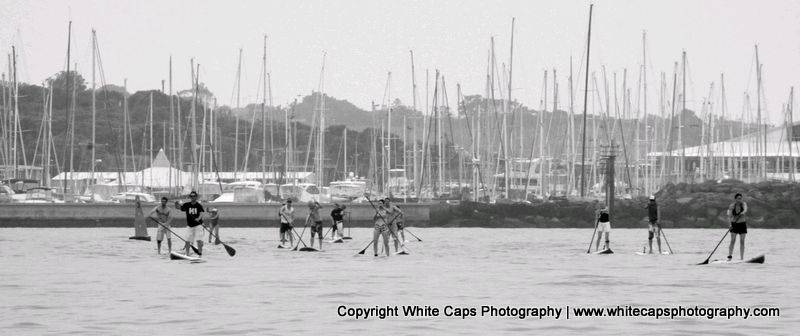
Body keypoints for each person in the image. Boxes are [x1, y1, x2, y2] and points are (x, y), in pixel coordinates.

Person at [175, 191, 205, 256]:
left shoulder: (199, 205)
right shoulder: (186, 205)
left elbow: (201, 214)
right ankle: (187, 254)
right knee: (187, 240)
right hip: (190, 226)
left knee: (199, 240)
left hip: (198, 225)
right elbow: (178, 208)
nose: (192, 197)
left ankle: (200, 254)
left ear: (196, 197)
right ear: (190, 197)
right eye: (191, 196)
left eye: (194, 196)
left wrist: (198, 218)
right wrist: (177, 204)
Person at [726, 193, 748, 260]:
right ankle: (729, 257)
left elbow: (745, 209)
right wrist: (730, 225)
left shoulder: (744, 204)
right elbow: (729, 216)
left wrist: (742, 212)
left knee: (742, 241)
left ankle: (741, 258)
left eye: (740, 198)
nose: (740, 199)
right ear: (735, 199)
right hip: (734, 224)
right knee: (733, 240)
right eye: (738, 198)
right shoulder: (732, 206)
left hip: (742, 224)